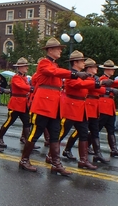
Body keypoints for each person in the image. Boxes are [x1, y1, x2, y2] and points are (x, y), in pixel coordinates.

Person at [18, 38, 89, 174]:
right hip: (43, 104)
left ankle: (56, 163)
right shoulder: (44, 63)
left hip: (54, 106)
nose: (61, 50)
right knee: (35, 133)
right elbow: (54, 73)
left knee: (55, 135)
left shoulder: (54, 65)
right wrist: (73, 74)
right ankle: (24, 160)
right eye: (58, 48)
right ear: (50, 50)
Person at [60, 51, 111, 170]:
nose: (84, 63)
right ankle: (51, 155)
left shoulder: (81, 75)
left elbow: (90, 86)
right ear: (76, 62)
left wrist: (112, 87)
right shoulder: (71, 76)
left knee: (83, 133)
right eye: (82, 61)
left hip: (81, 108)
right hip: (72, 108)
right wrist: (101, 82)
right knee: (60, 134)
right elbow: (81, 85)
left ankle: (83, 160)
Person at [0, 57, 32, 149]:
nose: (27, 68)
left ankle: (28, 142)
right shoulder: (16, 77)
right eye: (25, 66)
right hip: (16, 104)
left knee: (27, 123)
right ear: (19, 68)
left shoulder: (24, 77)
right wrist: (31, 89)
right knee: (9, 122)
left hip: (23, 104)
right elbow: (22, 86)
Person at [97, 60, 118, 157]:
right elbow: (109, 85)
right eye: (112, 69)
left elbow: (115, 83)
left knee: (111, 129)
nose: (113, 71)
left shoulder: (109, 79)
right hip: (104, 106)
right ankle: (88, 146)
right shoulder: (102, 79)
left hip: (109, 107)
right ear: (107, 69)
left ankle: (114, 149)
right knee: (97, 128)